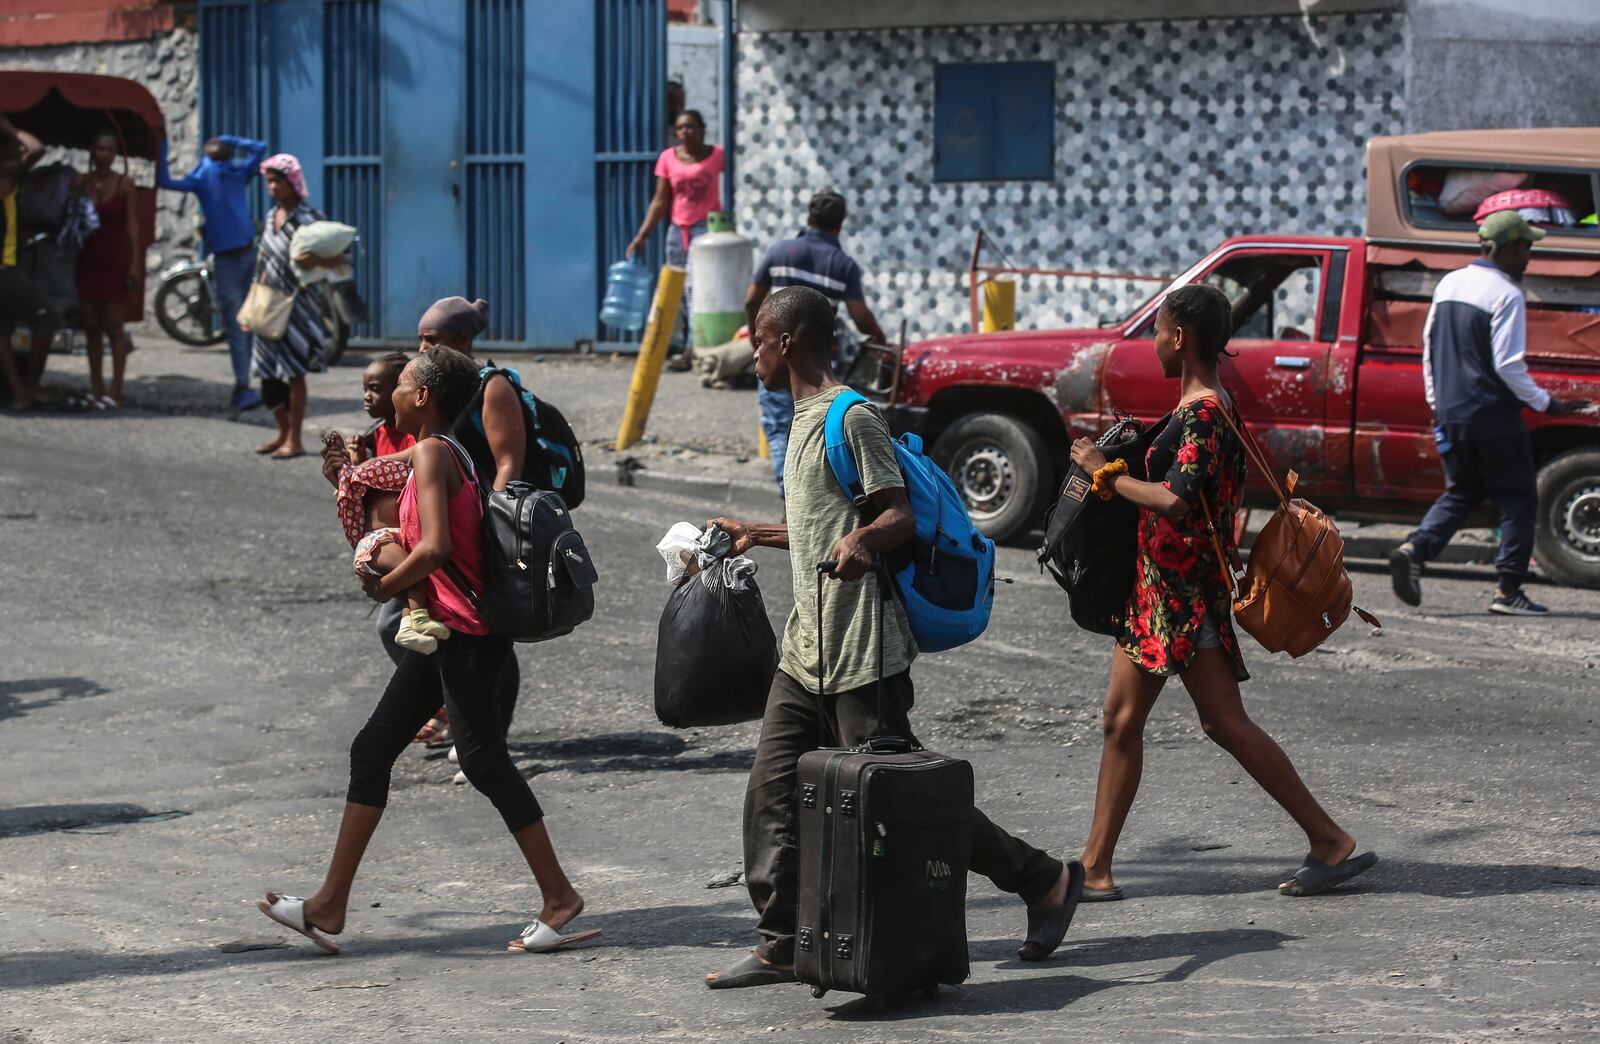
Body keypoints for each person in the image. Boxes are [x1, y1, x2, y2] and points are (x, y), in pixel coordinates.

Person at [702, 286, 1083, 989]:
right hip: (806, 651)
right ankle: (782, 940)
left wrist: (865, 540)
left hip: (863, 652)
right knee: (770, 793)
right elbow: (824, 525)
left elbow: (898, 516)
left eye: (758, 335)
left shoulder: (852, 419)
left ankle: (1046, 880)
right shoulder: (798, 420)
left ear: (787, 342)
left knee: (906, 803)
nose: (749, 348)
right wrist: (755, 532)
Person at [257, 346, 598, 956]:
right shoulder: (435, 453)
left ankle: (560, 896)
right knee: (372, 750)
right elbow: (384, 501)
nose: (388, 395)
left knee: (486, 762)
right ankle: (329, 904)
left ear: (423, 398)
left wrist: (384, 585)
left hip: (463, 636)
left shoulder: (438, 453)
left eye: (400, 385)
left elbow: (436, 546)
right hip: (446, 634)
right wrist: (345, 477)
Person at [1068, 283, 1376, 901]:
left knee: (1216, 723)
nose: (1154, 341)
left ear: (1179, 338)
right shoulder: (1201, 409)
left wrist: (1102, 472)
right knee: (1128, 720)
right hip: (1161, 591)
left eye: (1158, 330)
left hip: (1181, 594)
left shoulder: (1204, 412)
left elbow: (1175, 500)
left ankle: (1329, 839)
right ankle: (1096, 866)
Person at [1389, 211, 1591, 616]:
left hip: (1452, 412)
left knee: (1463, 491)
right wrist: (1546, 403)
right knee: (1518, 499)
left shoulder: (1450, 283)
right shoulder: (1506, 293)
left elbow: (1429, 351)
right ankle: (1508, 591)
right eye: (1527, 247)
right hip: (1493, 415)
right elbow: (1508, 365)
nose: (1529, 257)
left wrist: (1437, 405)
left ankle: (1415, 550)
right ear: (1509, 248)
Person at [744, 190, 886, 493]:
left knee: (779, 427)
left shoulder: (780, 251)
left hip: (776, 359)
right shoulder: (843, 265)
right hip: (814, 366)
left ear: (809, 218)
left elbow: (750, 300)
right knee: (817, 431)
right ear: (839, 225)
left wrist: (758, 344)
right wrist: (882, 339)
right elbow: (860, 318)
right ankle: (803, 498)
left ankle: (790, 497)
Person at [157, 133, 270, 411]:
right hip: (242, 255)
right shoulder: (234, 171)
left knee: (240, 325)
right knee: (248, 324)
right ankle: (249, 386)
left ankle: (247, 386)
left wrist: (162, 147)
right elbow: (260, 147)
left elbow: (164, 181)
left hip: (234, 257)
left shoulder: (207, 176)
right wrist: (231, 139)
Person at [249, 154, 338, 459]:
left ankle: (295, 438)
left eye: (277, 181)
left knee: (294, 373)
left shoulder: (309, 218)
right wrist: (253, 307)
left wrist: (315, 260)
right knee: (267, 375)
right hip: (269, 304)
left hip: (298, 306)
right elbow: (263, 263)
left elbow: (337, 259)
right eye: (269, 182)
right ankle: (282, 431)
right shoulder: (272, 215)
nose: (272, 187)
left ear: (293, 182)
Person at [625, 109, 724, 360]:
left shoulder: (719, 156)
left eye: (690, 126)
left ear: (702, 129)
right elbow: (660, 201)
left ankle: (694, 347)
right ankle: (681, 341)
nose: (685, 132)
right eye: (680, 128)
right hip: (677, 232)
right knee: (677, 289)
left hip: (707, 231)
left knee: (697, 289)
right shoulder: (668, 158)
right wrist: (642, 235)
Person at [70, 131, 141, 409]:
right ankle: (96, 386)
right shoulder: (82, 182)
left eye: (110, 150)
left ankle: (117, 387)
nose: (104, 155)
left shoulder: (125, 184)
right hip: (87, 260)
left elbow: (132, 225)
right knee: (91, 326)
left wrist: (134, 263)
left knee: (115, 326)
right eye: (100, 149)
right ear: (92, 151)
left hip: (115, 260)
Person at [0, 116, 59, 411]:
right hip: (4, 269)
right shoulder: (4, 176)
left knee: (1, 332)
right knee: (47, 316)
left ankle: (19, 392)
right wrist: (10, 128)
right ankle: (30, 385)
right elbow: (37, 150)